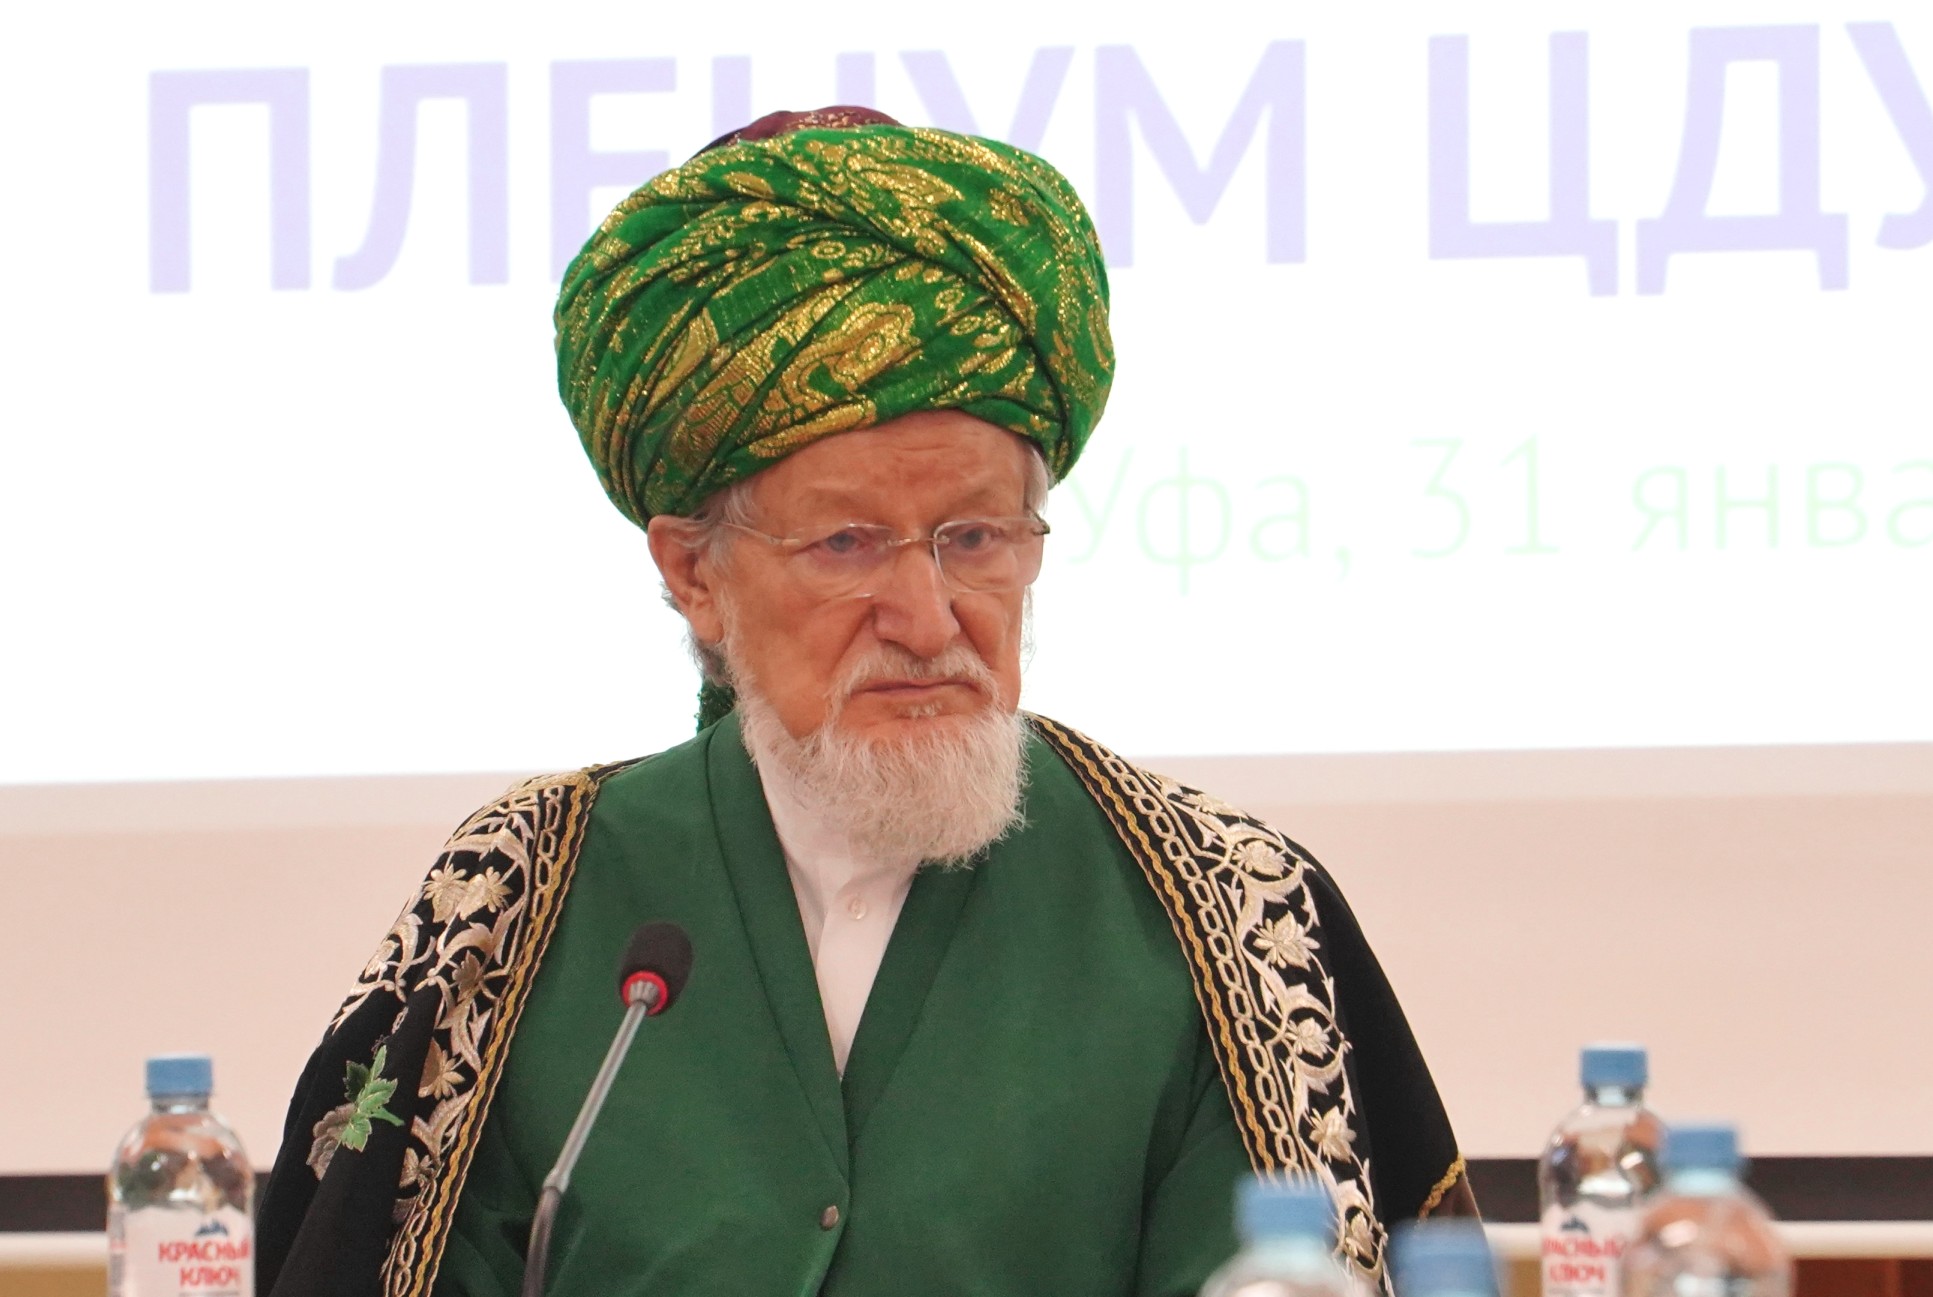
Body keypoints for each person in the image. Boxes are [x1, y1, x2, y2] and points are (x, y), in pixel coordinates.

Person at [255, 107, 1475, 1297]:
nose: (929, 618)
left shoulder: (1226, 908)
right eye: (846, 544)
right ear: (693, 574)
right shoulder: (516, 902)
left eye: (975, 537)